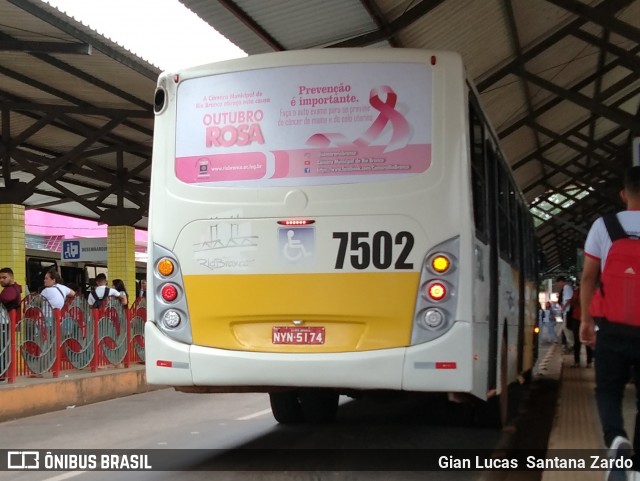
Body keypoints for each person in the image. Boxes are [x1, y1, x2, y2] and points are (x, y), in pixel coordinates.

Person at [580, 166, 640, 481]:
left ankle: (616, 441)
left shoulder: (605, 225)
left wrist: (587, 320)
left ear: (623, 194)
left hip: (611, 327)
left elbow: (589, 275)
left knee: (608, 390)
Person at [0, 267, 22, 383]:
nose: (2, 280)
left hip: (4, 323)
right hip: (5, 322)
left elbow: (6, 298)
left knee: (3, 348)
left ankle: (2, 373)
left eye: (4, 277)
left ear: (11, 277)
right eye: (0, 278)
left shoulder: (11, 290)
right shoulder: (12, 288)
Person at [569, 284, 593, 368]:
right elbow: (572, 303)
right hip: (577, 318)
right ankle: (578, 361)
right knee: (577, 341)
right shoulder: (577, 292)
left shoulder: (591, 292)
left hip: (585, 318)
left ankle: (588, 361)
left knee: (587, 341)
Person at [557, 276, 574, 352]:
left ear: (562, 281)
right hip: (566, 311)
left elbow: (569, 299)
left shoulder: (566, 287)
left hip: (567, 311)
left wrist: (564, 307)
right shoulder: (566, 288)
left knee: (566, 328)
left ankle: (571, 344)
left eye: (558, 283)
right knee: (564, 328)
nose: (558, 285)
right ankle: (570, 344)